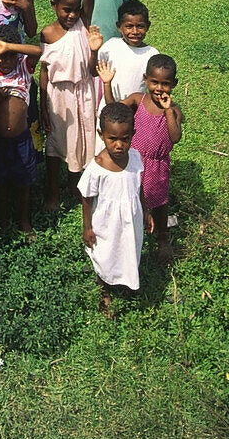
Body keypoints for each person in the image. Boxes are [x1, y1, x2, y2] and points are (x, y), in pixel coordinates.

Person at [40, 0, 113, 210]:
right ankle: (52, 192)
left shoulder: (83, 23)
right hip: (58, 96)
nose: (71, 15)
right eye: (65, 10)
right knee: (56, 143)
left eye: (75, 9)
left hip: (84, 92)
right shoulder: (47, 33)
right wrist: (42, 106)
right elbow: (44, 69)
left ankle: (74, 185)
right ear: (54, 6)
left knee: (80, 141)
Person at [78, 102, 154, 314]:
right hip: (106, 222)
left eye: (125, 139)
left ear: (133, 134)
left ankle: (128, 282)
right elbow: (86, 196)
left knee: (129, 247)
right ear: (101, 135)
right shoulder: (97, 167)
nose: (119, 145)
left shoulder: (136, 158)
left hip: (132, 218)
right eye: (113, 139)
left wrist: (146, 212)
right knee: (107, 253)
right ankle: (104, 288)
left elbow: (139, 187)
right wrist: (87, 227)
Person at [0, 24, 40, 235]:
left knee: (24, 182)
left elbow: (38, 51)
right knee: (0, 182)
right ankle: (3, 218)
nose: (5, 62)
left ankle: (24, 220)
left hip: (21, 138)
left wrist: (9, 46)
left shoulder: (23, 69)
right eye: (0, 57)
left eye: (10, 55)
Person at [123, 53, 183, 264]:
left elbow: (175, 137)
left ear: (174, 84)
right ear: (145, 79)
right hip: (134, 163)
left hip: (157, 165)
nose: (159, 88)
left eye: (165, 84)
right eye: (154, 82)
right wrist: (106, 82)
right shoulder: (138, 100)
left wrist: (167, 111)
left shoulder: (174, 110)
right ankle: (131, 236)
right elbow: (115, 112)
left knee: (158, 201)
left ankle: (162, 237)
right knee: (132, 199)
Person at [94, 0, 157, 152]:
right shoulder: (110, 46)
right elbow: (95, 70)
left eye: (140, 26)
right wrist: (93, 50)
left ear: (148, 26)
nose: (135, 32)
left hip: (134, 115)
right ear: (119, 27)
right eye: (129, 26)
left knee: (130, 153)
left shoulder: (152, 55)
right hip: (108, 112)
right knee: (104, 152)